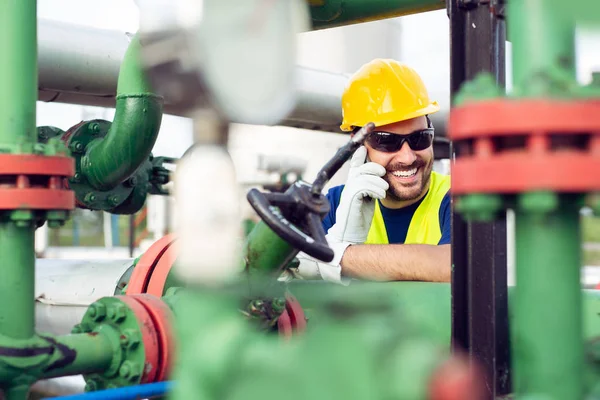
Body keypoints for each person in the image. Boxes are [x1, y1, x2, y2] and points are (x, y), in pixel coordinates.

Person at [290, 59, 451, 284]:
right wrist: (340, 240)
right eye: (387, 142)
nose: (407, 157)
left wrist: (337, 256)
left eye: (419, 138)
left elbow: (454, 265)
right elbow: (289, 272)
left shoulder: (455, 196)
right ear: (357, 145)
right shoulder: (334, 203)